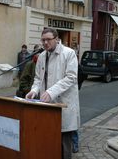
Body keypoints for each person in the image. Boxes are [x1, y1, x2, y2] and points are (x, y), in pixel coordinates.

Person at [26, 28, 80, 159]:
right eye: (43, 40)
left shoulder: (69, 53)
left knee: (63, 147)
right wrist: (34, 90)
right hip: (47, 107)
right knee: (48, 144)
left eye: (48, 40)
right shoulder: (41, 56)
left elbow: (71, 78)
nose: (45, 43)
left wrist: (51, 92)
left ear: (56, 39)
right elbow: (38, 79)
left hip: (63, 106)